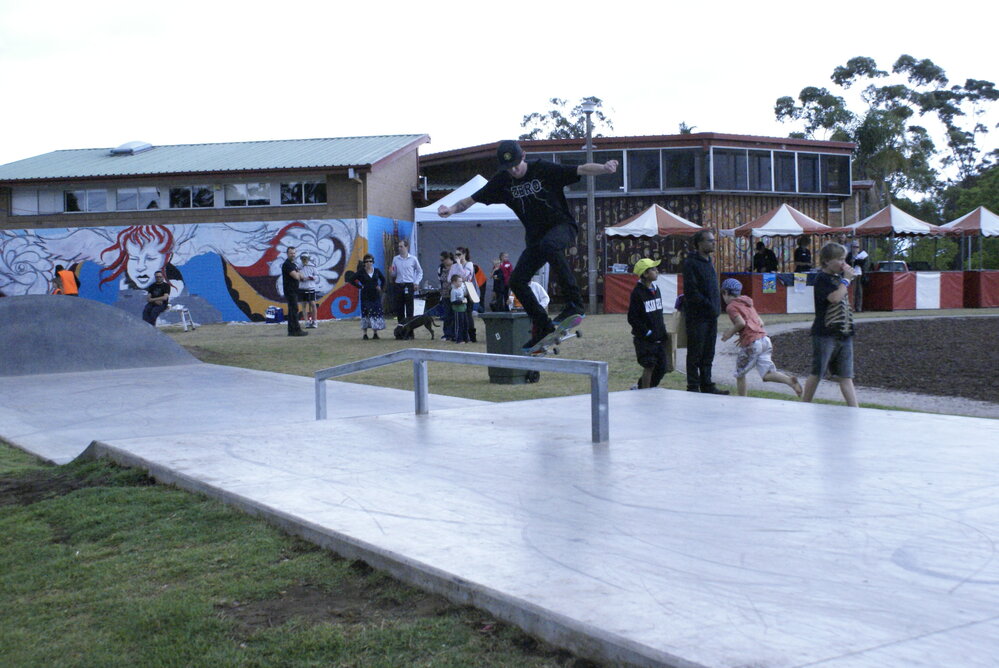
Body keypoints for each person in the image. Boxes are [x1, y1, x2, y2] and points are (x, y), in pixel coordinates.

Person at [437, 139, 618, 351]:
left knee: (550, 246)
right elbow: (470, 200)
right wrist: (450, 209)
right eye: (509, 168)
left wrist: (604, 169)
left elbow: (581, 168)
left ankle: (574, 304)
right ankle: (543, 326)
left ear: (523, 156)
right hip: (535, 240)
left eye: (516, 164)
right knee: (517, 280)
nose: (514, 170)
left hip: (562, 227)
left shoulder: (543, 168)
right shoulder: (502, 180)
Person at [720, 278, 803, 398]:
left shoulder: (731, 307)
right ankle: (790, 381)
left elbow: (741, 323)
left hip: (752, 343)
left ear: (725, 293)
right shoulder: (747, 303)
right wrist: (744, 334)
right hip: (765, 340)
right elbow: (761, 322)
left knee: (740, 374)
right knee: (767, 374)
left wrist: (729, 333)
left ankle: (741, 401)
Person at [802, 242, 858, 407]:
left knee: (846, 376)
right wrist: (846, 281)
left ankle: (855, 409)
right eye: (839, 259)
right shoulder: (822, 279)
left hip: (843, 332)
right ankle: (804, 404)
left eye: (844, 259)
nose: (843, 263)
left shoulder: (838, 279)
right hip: (825, 333)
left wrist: (844, 280)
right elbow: (834, 298)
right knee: (817, 372)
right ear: (826, 261)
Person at [681, 229, 728, 394]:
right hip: (697, 316)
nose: (713, 243)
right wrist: (709, 305)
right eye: (709, 240)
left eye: (713, 240)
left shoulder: (709, 262)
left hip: (711, 316)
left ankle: (707, 384)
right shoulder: (691, 263)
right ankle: (693, 386)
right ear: (699, 243)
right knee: (696, 352)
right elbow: (692, 292)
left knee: (709, 352)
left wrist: (716, 307)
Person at [627, 258, 673, 390]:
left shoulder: (656, 289)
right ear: (646, 274)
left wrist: (661, 331)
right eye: (653, 269)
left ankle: (642, 388)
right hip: (645, 339)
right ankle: (645, 392)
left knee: (662, 367)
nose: (657, 271)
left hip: (659, 336)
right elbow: (633, 318)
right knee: (649, 365)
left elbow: (657, 313)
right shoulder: (637, 293)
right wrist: (647, 332)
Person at [351, 254, 386, 340]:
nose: (368, 263)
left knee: (375, 313)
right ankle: (365, 333)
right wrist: (360, 286)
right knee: (366, 313)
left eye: (370, 261)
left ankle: (375, 333)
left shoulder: (376, 271)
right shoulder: (361, 272)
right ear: (364, 263)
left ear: (373, 262)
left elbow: (383, 279)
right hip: (365, 296)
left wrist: (381, 287)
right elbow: (351, 279)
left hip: (375, 296)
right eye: (366, 261)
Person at [389, 239, 423, 323]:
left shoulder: (413, 259)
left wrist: (416, 282)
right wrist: (391, 272)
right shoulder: (395, 259)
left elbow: (420, 271)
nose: (400, 248)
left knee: (409, 308)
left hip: (409, 284)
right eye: (399, 247)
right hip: (399, 284)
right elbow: (394, 273)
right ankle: (401, 328)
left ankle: (410, 331)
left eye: (401, 246)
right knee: (399, 308)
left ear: (406, 247)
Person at [281, 246, 307, 337]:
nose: (293, 255)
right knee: (293, 309)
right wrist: (298, 274)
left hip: (294, 290)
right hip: (290, 290)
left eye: (294, 253)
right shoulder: (287, 264)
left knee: (293, 309)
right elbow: (296, 276)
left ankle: (292, 330)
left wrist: (298, 274)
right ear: (287, 254)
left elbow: (302, 276)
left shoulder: (293, 264)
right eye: (291, 253)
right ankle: (296, 330)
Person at [297, 253, 319, 328]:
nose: (304, 260)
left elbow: (316, 276)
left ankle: (314, 321)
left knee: (313, 304)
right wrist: (301, 278)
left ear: (308, 259)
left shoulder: (312, 266)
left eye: (305, 258)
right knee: (303, 305)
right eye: (303, 258)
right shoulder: (298, 267)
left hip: (310, 287)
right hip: (302, 288)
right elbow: (297, 276)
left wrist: (311, 277)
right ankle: (306, 322)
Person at [847, 241, 869, 312]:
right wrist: (854, 261)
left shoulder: (861, 255)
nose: (856, 249)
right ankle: (852, 307)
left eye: (857, 247)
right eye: (854, 247)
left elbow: (862, 263)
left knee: (859, 291)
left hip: (859, 273)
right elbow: (848, 263)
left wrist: (856, 261)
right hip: (851, 274)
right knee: (852, 291)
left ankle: (858, 307)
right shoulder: (849, 255)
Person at [449, 274, 470, 344]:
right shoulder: (453, 291)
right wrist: (461, 301)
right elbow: (453, 301)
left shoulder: (461, 288)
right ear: (454, 282)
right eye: (459, 281)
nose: (461, 283)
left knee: (465, 324)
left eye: (461, 281)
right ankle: (458, 339)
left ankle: (466, 338)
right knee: (459, 325)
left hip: (463, 309)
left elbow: (463, 296)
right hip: (458, 310)